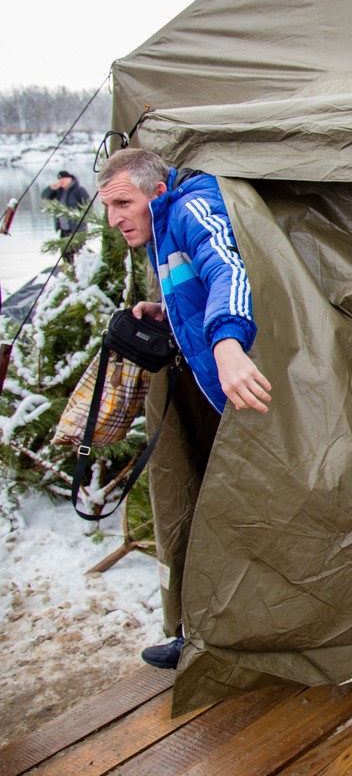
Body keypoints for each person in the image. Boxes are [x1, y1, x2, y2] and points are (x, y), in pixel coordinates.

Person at [97, 147, 273, 669]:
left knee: (245, 516)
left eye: (123, 204)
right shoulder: (160, 225)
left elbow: (227, 268)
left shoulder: (192, 208)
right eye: (108, 208)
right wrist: (168, 310)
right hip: (223, 396)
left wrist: (227, 343)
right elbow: (195, 279)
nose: (114, 219)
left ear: (157, 192)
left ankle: (237, 639)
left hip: (247, 391)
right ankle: (212, 634)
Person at [41, 170, 90, 238]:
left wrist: (82, 221)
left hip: (77, 229)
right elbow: (44, 197)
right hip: (63, 230)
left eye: (63, 178)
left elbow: (88, 206)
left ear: (69, 179)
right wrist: (50, 188)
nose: (61, 181)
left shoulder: (79, 190)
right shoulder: (58, 192)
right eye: (59, 179)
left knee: (76, 244)